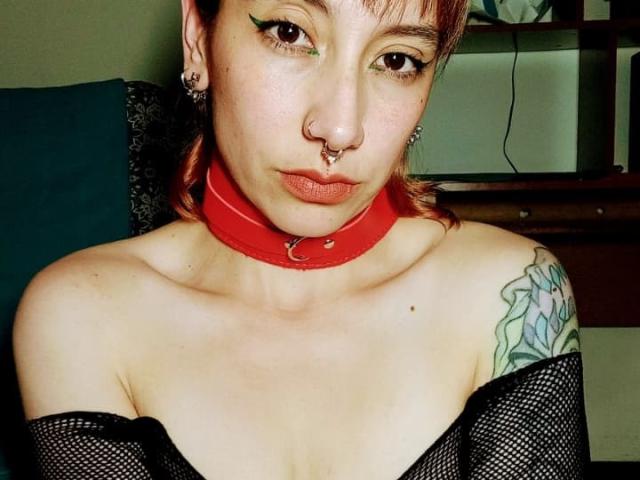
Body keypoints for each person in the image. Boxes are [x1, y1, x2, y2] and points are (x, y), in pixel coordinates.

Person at [13, 0, 589, 478]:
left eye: (396, 59)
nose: (340, 129)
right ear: (197, 39)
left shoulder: (511, 295)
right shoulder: (85, 314)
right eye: (290, 33)